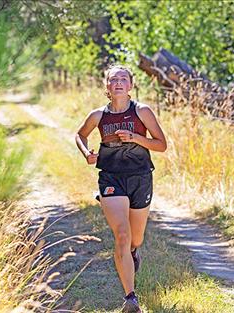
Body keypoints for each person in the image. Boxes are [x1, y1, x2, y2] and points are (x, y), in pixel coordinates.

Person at [75, 65, 167, 313]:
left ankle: (134, 252)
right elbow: (80, 135)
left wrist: (136, 138)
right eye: (113, 79)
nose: (118, 83)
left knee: (135, 239)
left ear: (130, 86)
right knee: (122, 236)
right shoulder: (98, 116)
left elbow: (161, 145)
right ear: (107, 86)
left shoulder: (142, 112)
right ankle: (130, 298)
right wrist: (86, 153)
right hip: (111, 178)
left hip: (140, 177)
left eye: (123, 79)